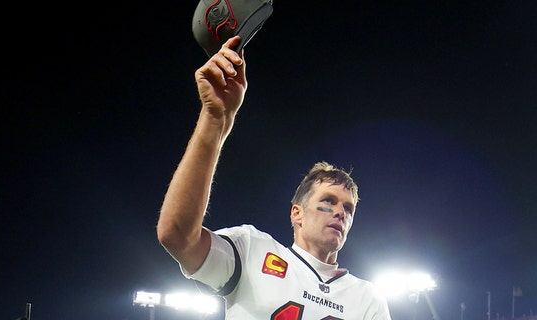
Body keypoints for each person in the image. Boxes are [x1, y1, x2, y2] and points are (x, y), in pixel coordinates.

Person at [157, 35, 391, 319]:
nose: (341, 212)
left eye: (348, 208)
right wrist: (215, 119)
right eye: (329, 200)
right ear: (297, 213)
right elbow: (176, 235)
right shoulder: (252, 249)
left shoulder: (368, 299)